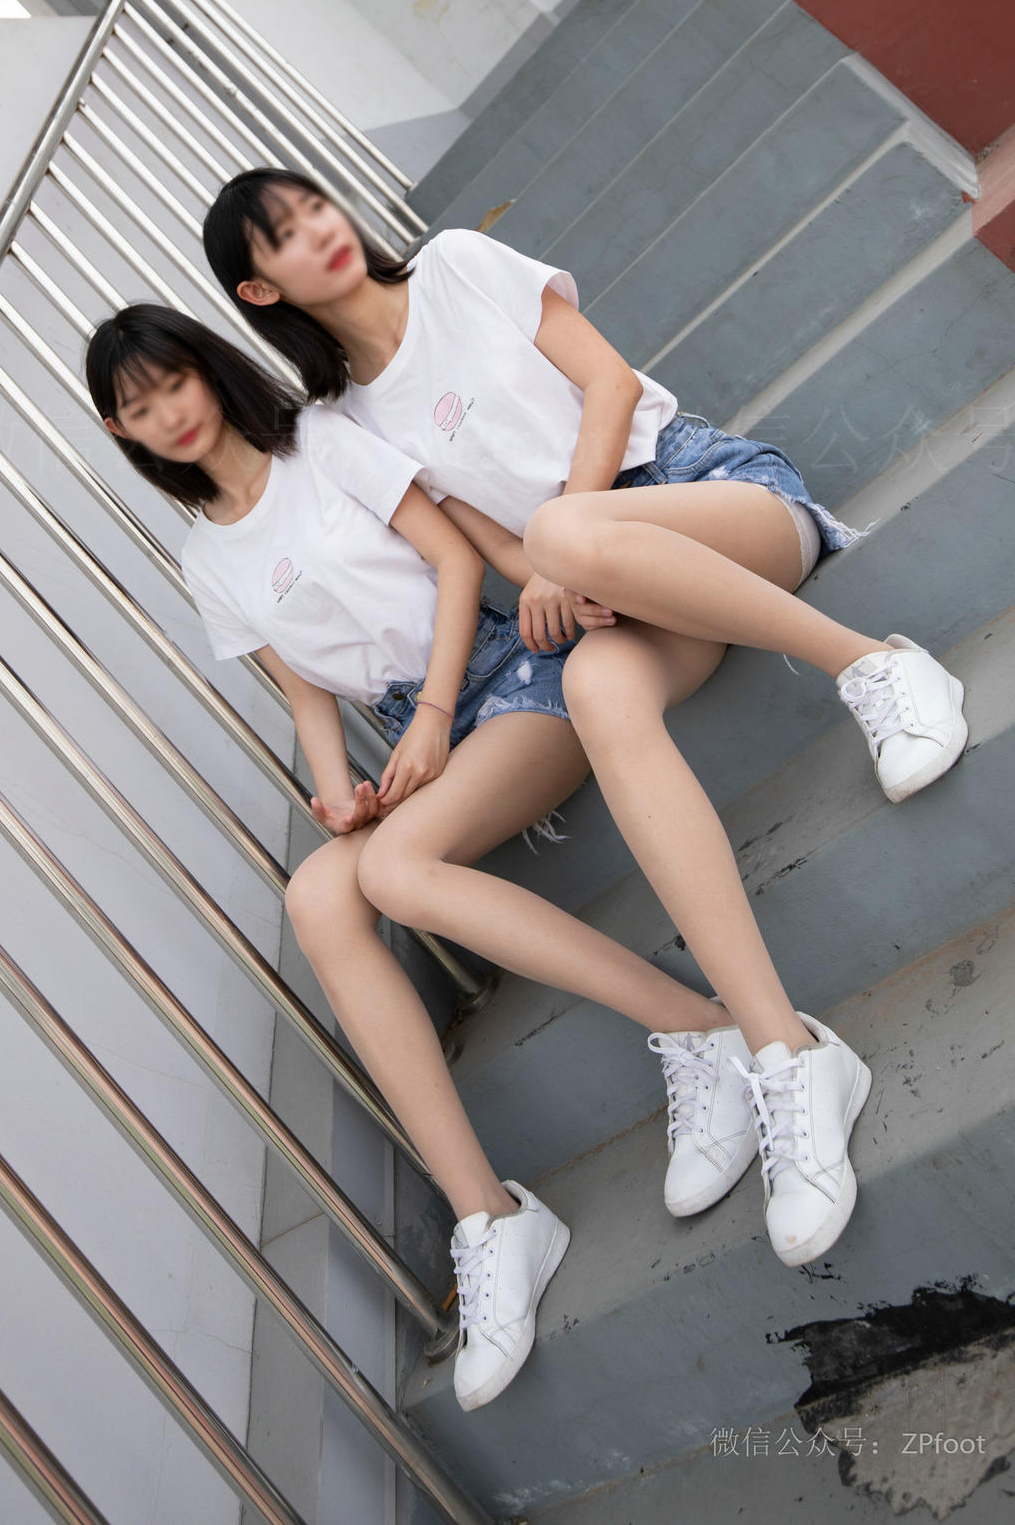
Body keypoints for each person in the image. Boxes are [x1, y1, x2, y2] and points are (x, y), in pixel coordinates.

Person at [202, 167, 970, 1271]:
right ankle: (786, 1049)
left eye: (314, 204)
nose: (318, 229)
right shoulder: (347, 420)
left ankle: (874, 666)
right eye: (283, 235)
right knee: (599, 689)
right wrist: (556, 575)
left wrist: (570, 537)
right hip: (611, 590)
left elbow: (608, 384)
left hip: (702, 496)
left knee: (566, 535)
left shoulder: (458, 265)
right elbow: (495, 551)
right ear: (260, 289)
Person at [85, 302, 759, 1411]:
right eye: (139, 408)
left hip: (507, 674)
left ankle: (703, 1028)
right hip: (415, 738)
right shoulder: (206, 559)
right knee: (319, 897)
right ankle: (491, 1218)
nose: (169, 413)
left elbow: (452, 561)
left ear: (206, 370)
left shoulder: (320, 444)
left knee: (399, 875)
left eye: (173, 383)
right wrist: (334, 792)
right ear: (124, 434)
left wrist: (440, 713)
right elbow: (307, 693)